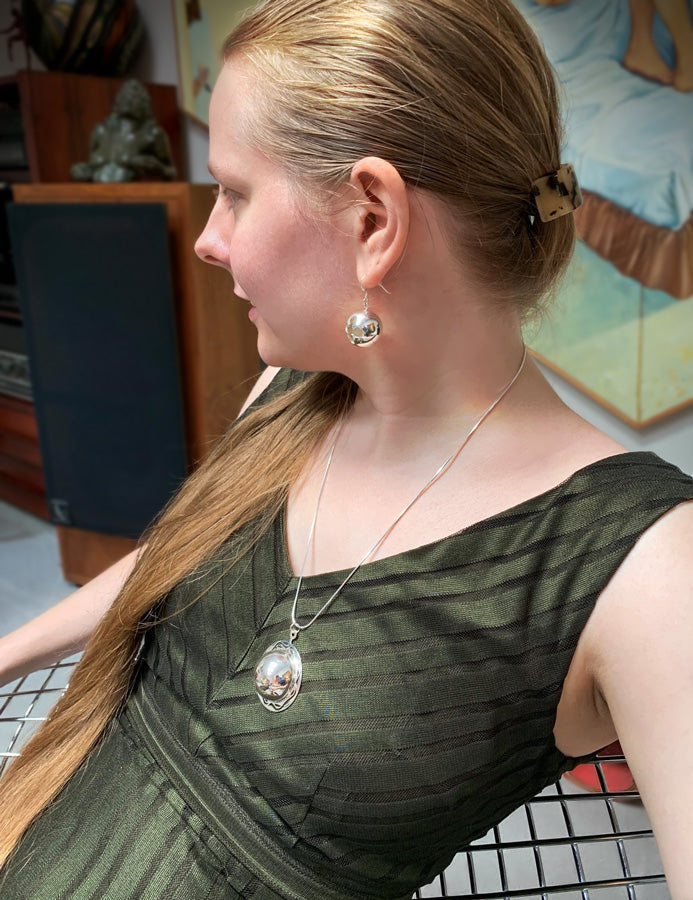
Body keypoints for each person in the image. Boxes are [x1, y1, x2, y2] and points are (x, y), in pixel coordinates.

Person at [1, 0, 692, 897]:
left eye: (236, 192)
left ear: (374, 219)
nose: (209, 239)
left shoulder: (644, 569)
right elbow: (171, 559)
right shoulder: (294, 393)